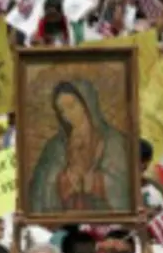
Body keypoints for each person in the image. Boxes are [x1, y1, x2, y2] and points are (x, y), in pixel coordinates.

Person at [29, 79, 129, 214]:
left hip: (105, 221)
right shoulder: (56, 146)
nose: (67, 115)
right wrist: (64, 181)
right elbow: (41, 187)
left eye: (71, 106)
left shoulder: (113, 140)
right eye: (62, 111)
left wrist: (94, 182)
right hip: (67, 222)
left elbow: (122, 184)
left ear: (87, 104)